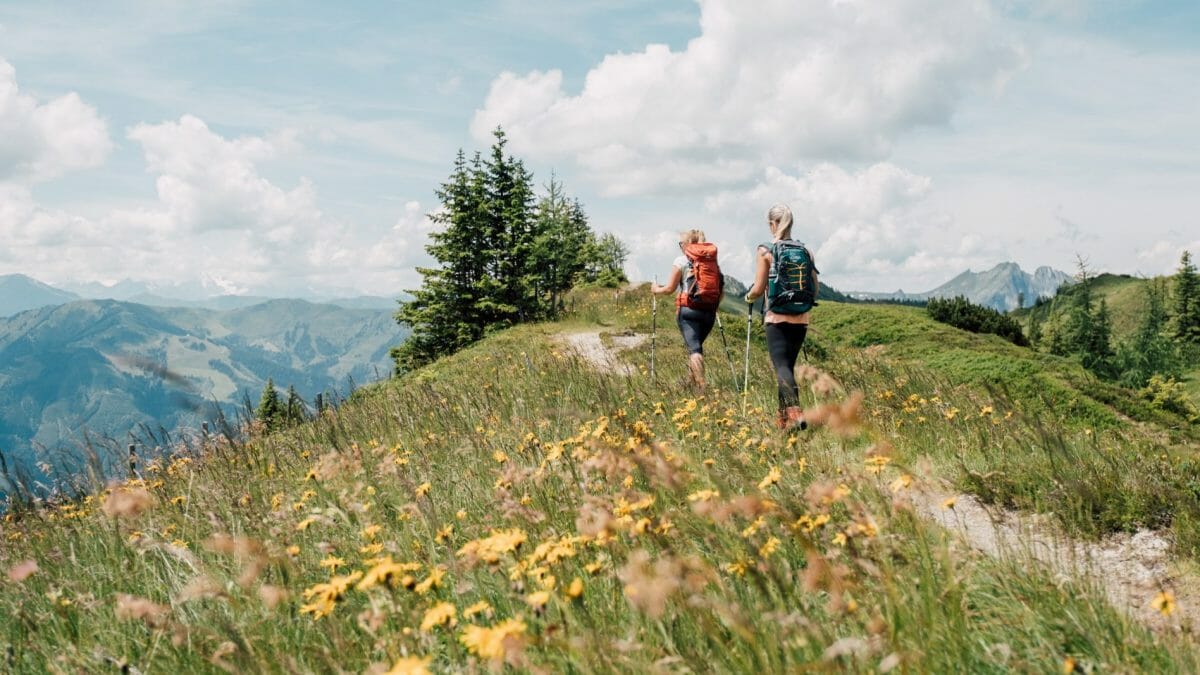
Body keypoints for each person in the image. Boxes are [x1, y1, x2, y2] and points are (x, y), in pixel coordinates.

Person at [743, 204, 819, 431]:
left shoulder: (766, 250)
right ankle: (783, 421)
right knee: (787, 368)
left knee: (782, 368)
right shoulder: (806, 251)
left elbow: (758, 289)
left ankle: (795, 415)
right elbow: (815, 288)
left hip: (776, 316)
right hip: (801, 317)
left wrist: (748, 297)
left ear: (771, 224)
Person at [651, 230, 721, 392]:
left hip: (688, 311)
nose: (680, 247)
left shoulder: (681, 260)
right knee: (695, 348)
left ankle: (702, 389)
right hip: (708, 312)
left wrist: (656, 289)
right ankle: (690, 382)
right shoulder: (711, 261)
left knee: (695, 350)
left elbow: (669, 289)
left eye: (680, 243)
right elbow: (720, 286)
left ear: (686, 244)